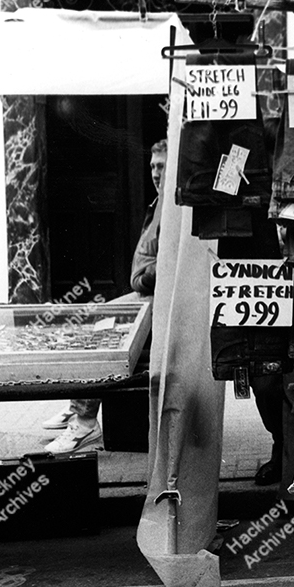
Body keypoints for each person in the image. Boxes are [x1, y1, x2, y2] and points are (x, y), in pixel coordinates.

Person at [42, 139, 166, 453]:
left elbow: (173, 262)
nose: (154, 172)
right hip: (147, 296)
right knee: (91, 320)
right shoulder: (160, 202)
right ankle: (79, 406)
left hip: (161, 300)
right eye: (152, 165)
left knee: (102, 329)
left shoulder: (173, 206)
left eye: (161, 166)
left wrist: (144, 278)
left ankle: (84, 423)